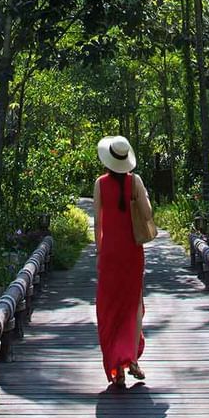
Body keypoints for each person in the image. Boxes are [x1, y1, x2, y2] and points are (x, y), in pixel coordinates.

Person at [93, 134, 153, 391]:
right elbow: (148, 214)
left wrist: (99, 251)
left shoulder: (100, 183)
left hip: (110, 254)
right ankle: (133, 359)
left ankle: (118, 368)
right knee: (133, 304)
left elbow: (97, 221)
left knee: (111, 307)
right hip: (132, 253)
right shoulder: (135, 182)